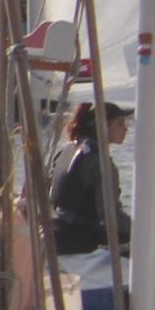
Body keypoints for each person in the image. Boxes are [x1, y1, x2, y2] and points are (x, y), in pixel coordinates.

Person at [50, 101, 134, 258]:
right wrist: (142, 230)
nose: (125, 128)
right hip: (81, 240)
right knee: (143, 241)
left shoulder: (67, 151)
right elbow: (110, 217)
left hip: (57, 234)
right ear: (102, 126)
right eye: (120, 123)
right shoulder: (100, 164)